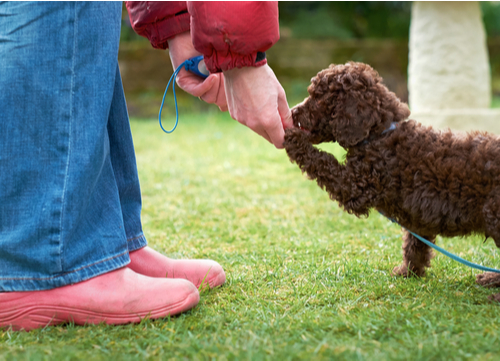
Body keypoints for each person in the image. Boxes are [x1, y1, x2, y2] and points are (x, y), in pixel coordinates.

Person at [0, 1, 292, 331]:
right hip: (46, 256)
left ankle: (104, 244)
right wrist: (239, 57)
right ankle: (45, 260)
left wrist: (179, 27)